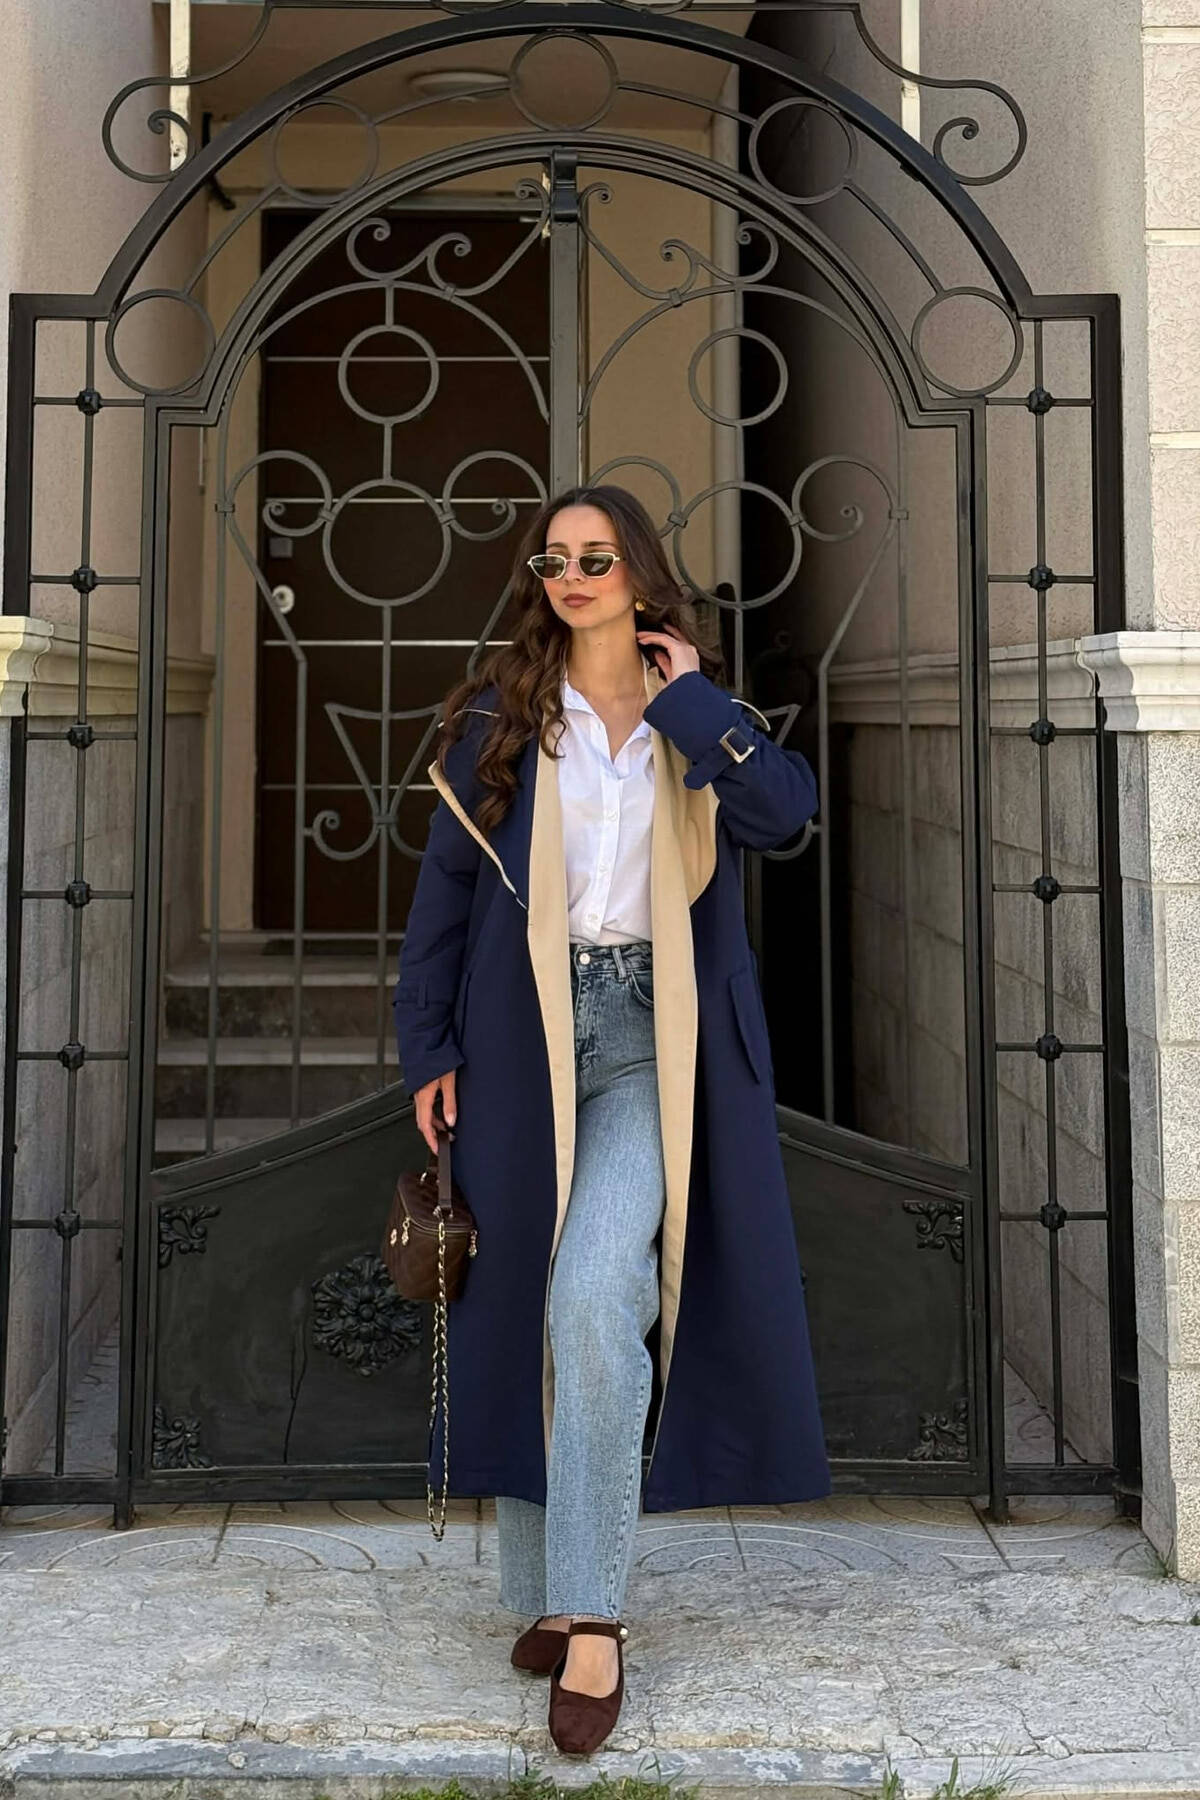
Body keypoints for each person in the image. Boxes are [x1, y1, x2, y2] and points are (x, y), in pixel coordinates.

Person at [393, 483, 830, 1755]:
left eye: (597, 557)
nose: (573, 576)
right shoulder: (502, 714)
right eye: (554, 560)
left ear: (639, 572)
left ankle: (591, 1619)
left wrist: (692, 705)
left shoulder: (699, 715)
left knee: (595, 1297)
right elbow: (443, 896)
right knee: (530, 1294)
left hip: (656, 1039)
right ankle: (544, 1591)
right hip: (520, 1035)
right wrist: (429, 1046)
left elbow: (785, 815)